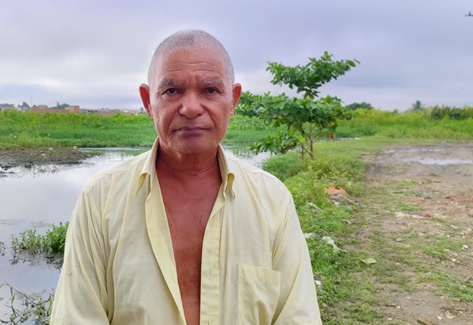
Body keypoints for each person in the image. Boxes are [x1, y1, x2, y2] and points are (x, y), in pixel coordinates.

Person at [50, 29, 322, 325]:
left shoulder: (273, 201)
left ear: (232, 100)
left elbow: (298, 316)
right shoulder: (100, 200)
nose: (191, 108)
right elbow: (78, 316)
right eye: (172, 90)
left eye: (210, 90)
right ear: (147, 101)